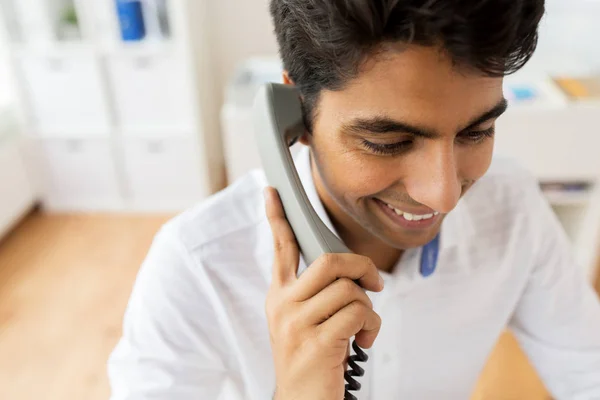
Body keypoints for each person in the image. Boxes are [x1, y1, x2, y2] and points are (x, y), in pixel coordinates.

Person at [107, 0, 600, 399]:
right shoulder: (197, 263)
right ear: (293, 113)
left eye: (477, 132)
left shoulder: (513, 207)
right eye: (387, 142)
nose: (444, 193)